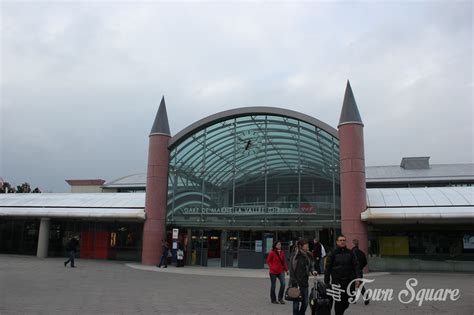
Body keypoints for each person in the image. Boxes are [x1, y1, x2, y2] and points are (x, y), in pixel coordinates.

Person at [324, 235, 361, 315]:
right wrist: (326, 283)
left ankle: (340, 312)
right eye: (340, 240)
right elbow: (327, 269)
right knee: (338, 301)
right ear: (337, 242)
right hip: (337, 282)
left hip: (348, 282)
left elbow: (356, 265)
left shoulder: (350, 253)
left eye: (344, 240)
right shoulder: (332, 253)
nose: (342, 241)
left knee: (347, 301)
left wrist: (358, 278)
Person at [290, 239, 317, 315]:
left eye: (308, 246)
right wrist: (293, 281)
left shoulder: (308, 255)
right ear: (300, 246)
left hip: (304, 283)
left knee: (305, 303)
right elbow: (292, 270)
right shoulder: (295, 256)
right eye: (306, 246)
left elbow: (311, 266)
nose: (308, 248)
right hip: (296, 283)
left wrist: (313, 271)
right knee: (296, 304)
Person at [267, 240, 289, 305]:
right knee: (273, 286)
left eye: (280, 244)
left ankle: (280, 299)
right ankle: (273, 299)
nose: (280, 245)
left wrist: (287, 269)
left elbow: (283, 262)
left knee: (283, 284)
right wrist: (272, 267)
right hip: (273, 272)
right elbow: (268, 261)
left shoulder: (282, 252)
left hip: (281, 271)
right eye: (278, 244)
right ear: (275, 245)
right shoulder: (272, 252)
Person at [351, 239, 369, 305]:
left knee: (352, 285)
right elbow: (365, 262)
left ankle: (353, 299)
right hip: (359, 271)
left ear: (353, 244)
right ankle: (366, 297)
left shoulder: (351, 252)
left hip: (353, 271)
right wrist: (360, 267)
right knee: (360, 285)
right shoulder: (362, 253)